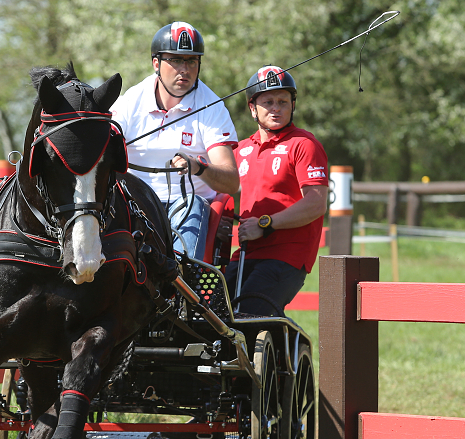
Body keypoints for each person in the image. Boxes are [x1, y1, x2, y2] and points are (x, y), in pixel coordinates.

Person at [110, 21, 239, 259]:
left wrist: (199, 168)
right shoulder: (131, 101)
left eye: (192, 61)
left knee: (191, 204)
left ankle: (180, 282)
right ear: (156, 64)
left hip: (186, 206)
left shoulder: (212, 107)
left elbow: (231, 182)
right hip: (135, 202)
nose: (185, 69)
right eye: (176, 60)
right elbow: (104, 148)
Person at [223, 65, 329, 316]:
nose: (276, 108)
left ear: (293, 105)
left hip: (287, 254)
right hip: (245, 253)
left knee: (250, 313)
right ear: (252, 108)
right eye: (268, 101)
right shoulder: (240, 149)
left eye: (283, 101)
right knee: (212, 313)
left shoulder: (304, 144)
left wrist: (265, 224)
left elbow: (316, 203)